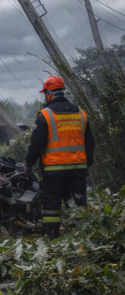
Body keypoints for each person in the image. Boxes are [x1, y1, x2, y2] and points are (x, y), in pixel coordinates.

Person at [24, 75, 94, 238]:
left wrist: (28, 165)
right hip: (77, 173)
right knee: (79, 211)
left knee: (51, 212)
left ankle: (52, 244)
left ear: (49, 94)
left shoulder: (45, 116)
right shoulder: (81, 114)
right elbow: (90, 143)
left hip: (53, 174)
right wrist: (86, 164)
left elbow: (36, 145)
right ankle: (84, 243)